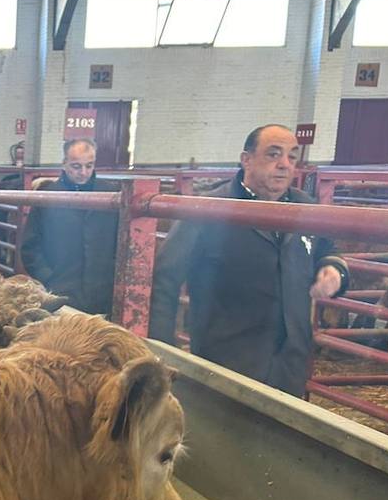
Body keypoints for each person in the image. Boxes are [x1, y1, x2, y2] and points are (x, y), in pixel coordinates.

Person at [149, 124, 348, 397]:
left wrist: (333, 269)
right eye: (273, 155)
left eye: (292, 156)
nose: (284, 165)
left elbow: (328, 249)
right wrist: (162, 355)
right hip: (226, 363)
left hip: (290, 365)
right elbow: (165, 280)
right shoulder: (209, 210)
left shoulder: (305, 207)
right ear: (246, 159)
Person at [19, 138, 123, 316]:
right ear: (64, 163)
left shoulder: (112, 196)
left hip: (102, 293)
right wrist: (48, 277)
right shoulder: (47, 197)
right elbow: (30, 245)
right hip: (61, 291)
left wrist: (112, 275)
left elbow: (121, 241)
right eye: (76, 166)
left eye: (89, 166)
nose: (83, 172)